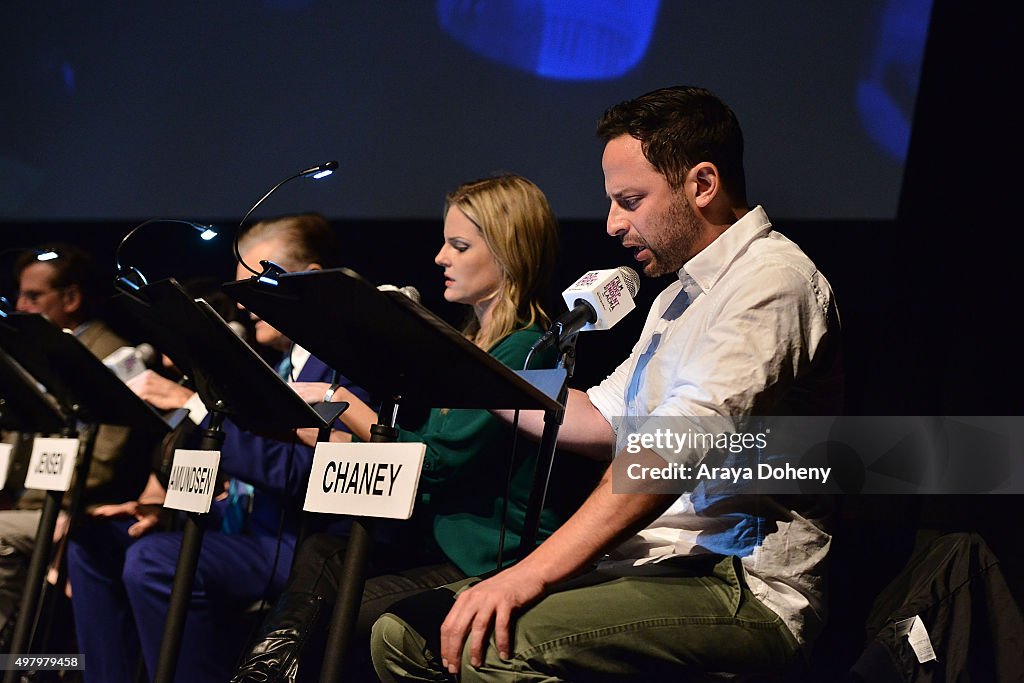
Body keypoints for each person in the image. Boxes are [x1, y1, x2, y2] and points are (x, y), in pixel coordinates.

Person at [370, 86, 845, 681]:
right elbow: (597, 414)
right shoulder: (677, 296)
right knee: (400, 636)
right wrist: (455, 365)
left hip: (738, 582)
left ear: (701, 185)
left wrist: (530, 571)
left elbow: (669, 453)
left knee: (483, 646)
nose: (613, 224)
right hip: (654, 562)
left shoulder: (772, 282)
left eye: (630, 200)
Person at [231, 174, 601, 682]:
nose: (439, 258)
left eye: (459, 245)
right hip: (433, 544)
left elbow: (428, 467)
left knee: (346, 622)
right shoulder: (471, 341)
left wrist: (340, 403)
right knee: (326, 549)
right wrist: (315, 430)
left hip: (483, 561)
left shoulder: (526, 352)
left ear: (509, 253)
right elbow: (403, 455)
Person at [64, 213, 370, 683]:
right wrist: (165, 510)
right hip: (247, 530)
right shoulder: (282, 365)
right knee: (94, 538)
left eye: (257, 284)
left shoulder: (346, 365)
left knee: (153, 561)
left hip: (305, 546)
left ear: (307, 280)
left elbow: (307, 475)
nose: (244, 304)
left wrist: (193, 403)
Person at [0, 243, 150, 651]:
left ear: (71, 297)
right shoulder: (33, 350)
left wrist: (59, 506)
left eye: (34, 296)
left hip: (73, 508)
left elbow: (105, 458)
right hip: (26, 503)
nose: (20, 305)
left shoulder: (116, 355)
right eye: (19, 294)